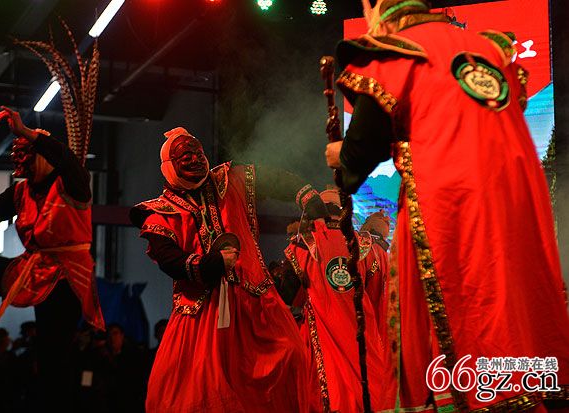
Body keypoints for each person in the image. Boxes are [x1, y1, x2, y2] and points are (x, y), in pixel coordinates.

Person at [325, 1, 569, 411]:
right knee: (514, 301)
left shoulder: (397, 53)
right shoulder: (488, 50)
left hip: (449, 206)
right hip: (517, 202)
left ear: (379, 10)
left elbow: (361, 151)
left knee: (458, 308)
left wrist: (341, 156)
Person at [129, 127, 327, 413]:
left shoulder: (228, 179)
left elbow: (274, 179)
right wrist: (210, 264)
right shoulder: (161, 211)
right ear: (170, 165)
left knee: (291, 356)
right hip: (202, 312)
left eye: (198, 152)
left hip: (255, 302)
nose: (196, 159)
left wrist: (306, 195)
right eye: (186, 156)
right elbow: (168, 259)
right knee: (198, 388)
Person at [0, 107, 104, 411]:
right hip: (34, 267)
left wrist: (26, 132)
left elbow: (67, 159)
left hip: (68, 277)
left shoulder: (72, 183)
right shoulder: (21, 192)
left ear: (42, 156)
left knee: (52, 356)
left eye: (26, 154)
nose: (19, 162)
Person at [283, 188, 385, 412]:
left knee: (331, 395)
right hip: (363, 338)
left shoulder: (304, 244)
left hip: (324, 340)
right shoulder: (366, 245)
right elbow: (376, 295)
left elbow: (289, 295)